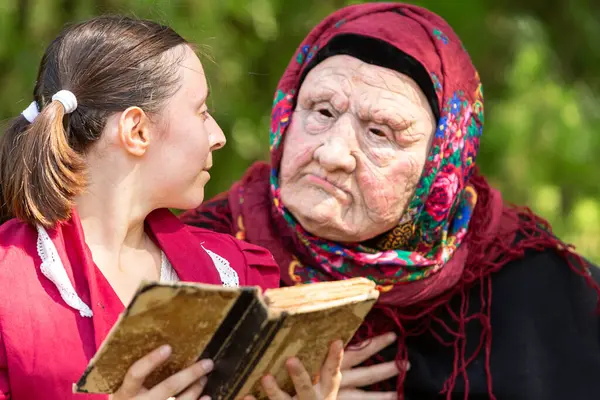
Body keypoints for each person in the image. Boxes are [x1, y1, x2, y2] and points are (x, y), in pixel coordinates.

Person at [181, 3, 600, 399]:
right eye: (322, 111)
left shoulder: (544, 295)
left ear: (442, 165)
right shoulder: (189, 254)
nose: (332, 153)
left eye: (379, 133)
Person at [0, 16, 345, 400]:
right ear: (137, 131)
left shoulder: (234, 270)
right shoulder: (8, 280)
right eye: (201, 111)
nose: (218, 136)